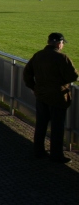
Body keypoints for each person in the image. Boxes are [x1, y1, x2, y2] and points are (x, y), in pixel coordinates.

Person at [23, 33, 78, 163]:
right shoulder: (62, 58)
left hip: (41, 96)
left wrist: (34, 88)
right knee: (57, 128)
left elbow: (27, 74)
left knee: (41, 125)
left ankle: (38, 151)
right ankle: (56, 155)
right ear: (59, 43)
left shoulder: (38, 55)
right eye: (63, 43)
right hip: (57, 98)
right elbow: (73, 77)